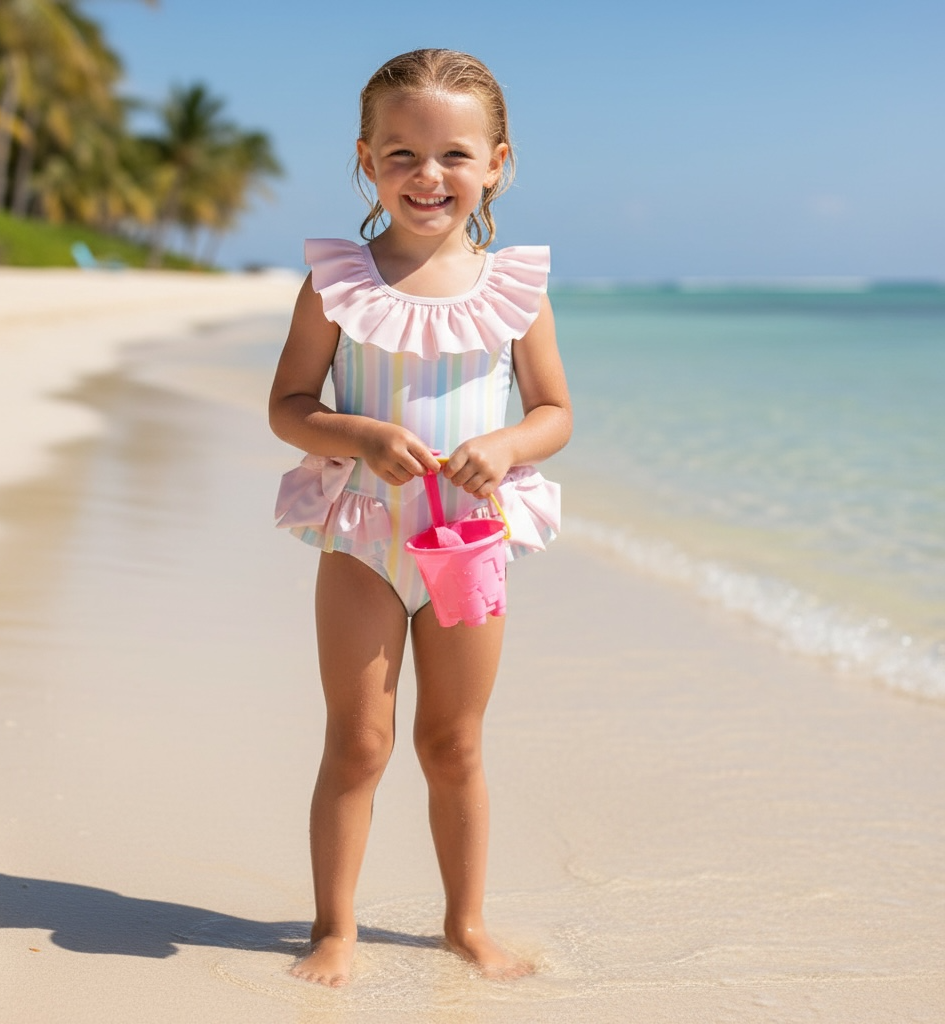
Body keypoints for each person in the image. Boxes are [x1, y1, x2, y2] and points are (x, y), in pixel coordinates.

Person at [268, 48, 572, 987]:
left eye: (452, 155)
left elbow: (554, 413)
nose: (427, 175)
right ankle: (335, 929)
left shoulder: (514, 290)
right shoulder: (338, 282)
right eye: (400, 153)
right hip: (364, 536)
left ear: (497, 165)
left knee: (454, 741)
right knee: (358, 741)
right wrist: (355, 432)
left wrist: (509, 448)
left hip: (470, 544)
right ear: (367, 161)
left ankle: (465, 922)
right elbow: (288, 405)